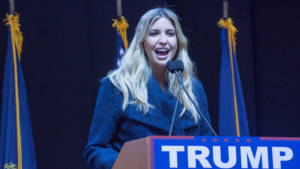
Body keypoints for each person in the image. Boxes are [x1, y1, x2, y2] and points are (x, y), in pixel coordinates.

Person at [83, 7, 213, 169]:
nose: (164, 40)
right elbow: (96, 149)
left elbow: (210, 147)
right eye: (154, 33)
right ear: (142, 42)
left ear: (178, 42)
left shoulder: (192, 89)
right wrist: (131, 165)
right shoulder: (118, 86)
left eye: (170, 34)